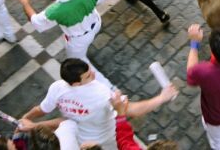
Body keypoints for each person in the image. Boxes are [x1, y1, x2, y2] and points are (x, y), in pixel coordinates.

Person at [20, 58, 178, 150]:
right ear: (75, 83)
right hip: (108, 140)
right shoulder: (101, 93)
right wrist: (162, 98)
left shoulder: (57, 88)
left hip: (82, 140)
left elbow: (41, 109)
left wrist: (26, 118)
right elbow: (133, 110)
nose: (94, 74)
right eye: (88, 75)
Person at [13, 0, 113, 88]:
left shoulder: (55, 10)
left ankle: (110, 88)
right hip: (96, 23)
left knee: (80, 64)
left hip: (78, 41)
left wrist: (25, 2)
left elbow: (36, 22)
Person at [187, 24, 220, 149]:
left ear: (212, 50)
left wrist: (194, 43)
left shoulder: (205, 71)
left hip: (215, 119)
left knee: (217, 142)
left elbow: (191, 72)